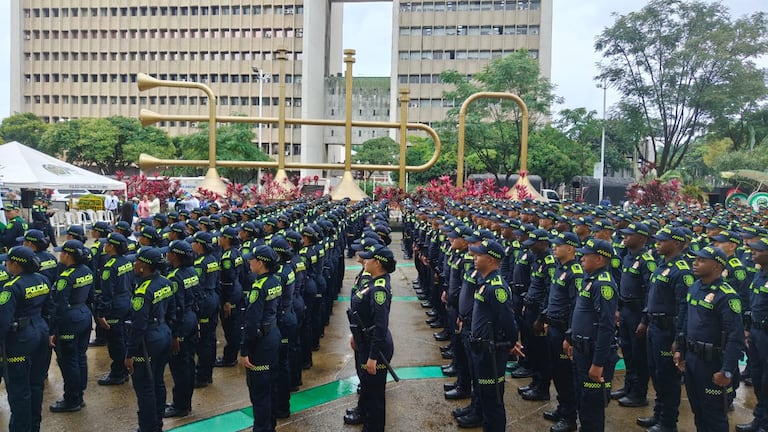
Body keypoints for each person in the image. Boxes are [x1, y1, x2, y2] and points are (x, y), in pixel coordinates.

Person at [674, 246, 744, 432]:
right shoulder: (695, 287)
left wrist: (727, 371)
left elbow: (735, 337)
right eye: (695, 259)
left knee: (714, 415)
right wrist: (680, 348)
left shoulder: (727, 296)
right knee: (698, 410)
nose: (695, 263)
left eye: (702, 260)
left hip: (712, 363)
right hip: (693, 359)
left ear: (716, 266)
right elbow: (686, 321)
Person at [638, 227, 694, 432]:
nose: (657, 243)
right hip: (654, 328)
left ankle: (668, 422)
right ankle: (658, 414)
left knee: (668, 378)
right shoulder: (662, 265)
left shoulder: (682, 271)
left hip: (668, 331)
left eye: (663, 240)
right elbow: (652, 297)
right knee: (656, 373)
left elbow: (684, 308)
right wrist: (645, 321)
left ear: (677, 243)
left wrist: (678, 339)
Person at [564, 239, 619, 432]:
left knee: (593, 406)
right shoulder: (589, 279)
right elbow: (581, 314)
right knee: (583, 400)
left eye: (586, 255)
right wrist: (571, 338)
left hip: (593, 353)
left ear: (599, 259)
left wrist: (598, 363)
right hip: (581, 350)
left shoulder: (603, 284)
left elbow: (606, 326)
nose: (581, 258)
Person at [0, 246, 55, 432]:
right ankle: (34, 426)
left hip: (19, 340)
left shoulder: (11, 287)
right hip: (41, 333)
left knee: (19, 390)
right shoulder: (43, 279)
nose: (6, 264)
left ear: (16, 264)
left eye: (8, 261)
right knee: (36, 385)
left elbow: (3, 321)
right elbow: (50, 309)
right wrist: (50, 331)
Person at [346, 243, 397, 432]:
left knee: (375, 395)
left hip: (375, 348)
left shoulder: (379, 289)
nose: (365, 260)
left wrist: (373, 356)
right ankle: (366, 420)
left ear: (378, 263)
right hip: (364, 341)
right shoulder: (373, 281)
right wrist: (355, 335)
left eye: (369, 258)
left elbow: (380, 326)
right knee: (367, 387)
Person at [125, 247, 174, 432]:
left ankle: (147, 427)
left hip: (148, 341)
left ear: (143, 266)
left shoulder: (143, 291)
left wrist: (130, 354)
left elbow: (138, 326)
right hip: (164, 333)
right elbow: (172, 312)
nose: (134, 264)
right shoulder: (166, 282)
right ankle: (157, 423)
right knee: (158, 381)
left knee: (144, 386)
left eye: (137, 261)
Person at [544, 231, 583, 432]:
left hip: (563, 330)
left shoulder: (575, 272)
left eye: (558, 245)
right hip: (553, 326)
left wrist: (569, 335)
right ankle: (562, 407)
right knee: (557, 372)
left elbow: (576, 306)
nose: (554, 247)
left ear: (570, 248)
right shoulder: (560, 268)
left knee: (566, 375)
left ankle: (569, 418)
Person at [241, 245, 283, 432]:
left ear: (260, 263)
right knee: (271, 387)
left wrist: (244, 350)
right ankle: (269, 426)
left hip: (261, 343)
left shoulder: (259, 287)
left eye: (252, 259)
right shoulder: (275, 281)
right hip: (272, 335)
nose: (249, 262)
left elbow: (251, 323)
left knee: (259, 392)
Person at [49, 240, 94, 413]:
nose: (60, 255)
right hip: (84, 315)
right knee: (80, 357)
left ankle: (72, 399)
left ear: (67, 255)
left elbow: (60, 306)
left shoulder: (66, 277)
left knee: (68, 361)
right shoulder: (86, 270)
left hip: (70, 320)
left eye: (62, 252)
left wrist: (52, 330)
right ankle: (79, 394)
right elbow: (91, 296)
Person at [163, 240, 201, 419]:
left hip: (182, 323)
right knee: (188, 363)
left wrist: (175, 335)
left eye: (169, 252)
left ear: (175, 256)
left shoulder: (174, 277)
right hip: (191, 319)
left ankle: (181, 405)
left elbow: (177, 308)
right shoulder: (192, 271)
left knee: (180, 366)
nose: (167, 255)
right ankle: (184, 402)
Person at [95, 232, 135, 385]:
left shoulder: (109, 267)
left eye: (106, 244)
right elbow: (132, 283)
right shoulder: (127, 261)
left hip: (115, 306)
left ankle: (118, 373)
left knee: (115, 341)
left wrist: (101, 313)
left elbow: (107, 293)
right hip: (126, 301)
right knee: (124, 337)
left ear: (112, 247)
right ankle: (123, 370)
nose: (104, 246)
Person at [738, 237, 768, 432]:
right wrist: (748, 329)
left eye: (758, 250)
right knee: (757, 378)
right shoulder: (759, 274)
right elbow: (753, 305)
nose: (752, 252)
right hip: (756, 332)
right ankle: (760, 418)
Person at [191, 231, 221, 388]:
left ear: (200, 245)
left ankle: (202, 375)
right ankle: (207, 373)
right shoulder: (213, 259)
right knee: (210, 337)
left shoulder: (200, 263)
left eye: (194, 242)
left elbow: (197, 286)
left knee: (203, 340)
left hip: (204, 301)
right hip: (213, 298)